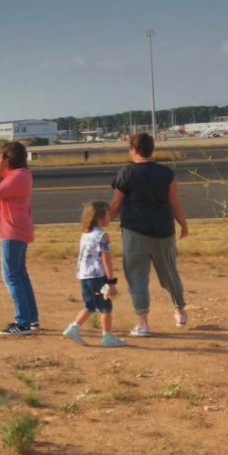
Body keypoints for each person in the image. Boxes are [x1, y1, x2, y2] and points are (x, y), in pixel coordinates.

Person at [106, 132, 188, 337]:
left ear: (133, 150)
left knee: (137, 277)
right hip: (164, 231)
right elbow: (174, 203)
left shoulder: (126, 173)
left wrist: (104, 222)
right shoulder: (166, 173)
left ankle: (143, 323)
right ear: (152, 150)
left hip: (135, 233)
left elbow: (116, 204)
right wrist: (183, 225)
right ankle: (179, 310)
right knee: (169, 272)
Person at [0, 141, 39, 336]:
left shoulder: (16, 178)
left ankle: (23, 323)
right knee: (20, 274)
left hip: (12, 231)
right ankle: (31, 318)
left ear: (10, 160)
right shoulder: (21, 174)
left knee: (11, 277)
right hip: (18, 229)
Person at [63, 200, 125, 347]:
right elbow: (106, 260)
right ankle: (107, 336)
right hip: (97, 277)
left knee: (90, 305)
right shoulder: (102, 236)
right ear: (100, 217)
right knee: (105, 306)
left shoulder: (85, 234)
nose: (111, 218)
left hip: (85, 276)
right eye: (109, 215)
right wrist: (111, 282)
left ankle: (73, 328)